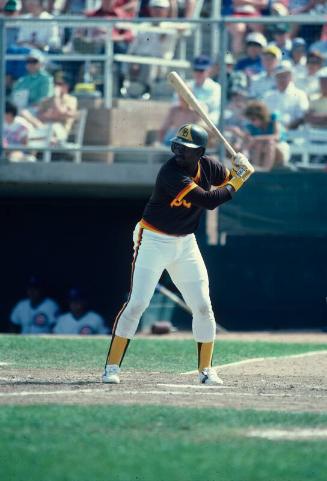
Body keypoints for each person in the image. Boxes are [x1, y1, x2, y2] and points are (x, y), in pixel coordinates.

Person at [102, 123, 254, 385]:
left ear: (200, 152)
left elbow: (226, 181)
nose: (178, 152)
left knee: (203, 306)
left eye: (186, 148)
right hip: (153, 239)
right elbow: (210, 200)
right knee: (138, 303)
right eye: (177, 146)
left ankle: (206, 370)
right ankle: (111, 367)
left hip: (185, 243)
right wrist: (240, 178)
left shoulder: (207, 165)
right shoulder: (170, 173)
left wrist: (238, 168)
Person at [20, 73, 78, 143]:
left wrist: (57, 97)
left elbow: (61, 112)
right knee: (23, 115)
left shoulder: (71, 99)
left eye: (60, 84)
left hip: (59, 130)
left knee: (50, 130)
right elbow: (39, 115)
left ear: (66, 86)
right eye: (55, 84)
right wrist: (50, 115)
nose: (57, 86)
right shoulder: (47, 100)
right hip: (43, 127)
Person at [241, 100, 290, 170]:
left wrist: (257, 138)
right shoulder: (251, 126)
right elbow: (246, 144)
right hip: (263, 152)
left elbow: (277, 137)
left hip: (280, 149)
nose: (251, 122)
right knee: (258, 144)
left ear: (261, 116)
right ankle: (256, 169)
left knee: (270, 142)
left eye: (253, 119)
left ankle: (265, 170)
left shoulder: (273, 117)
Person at [263, 60, 309, 129]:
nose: (282, 79)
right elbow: (264, 117)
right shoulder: (268, 96)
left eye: (285, 76)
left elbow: (302, 117)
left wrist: (285, 130)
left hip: (294, 134)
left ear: (291, 77)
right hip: (272, 133)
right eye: (279, 76)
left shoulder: (300, 94)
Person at [186, 55, 221, 124]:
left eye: (201, 70)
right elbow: (176, 106)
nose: (198, 73)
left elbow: (215, 112)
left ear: (209, 70)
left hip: (207, 125)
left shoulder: (215, 88)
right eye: (196, 70)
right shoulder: (187, 85)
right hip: (187, 123)